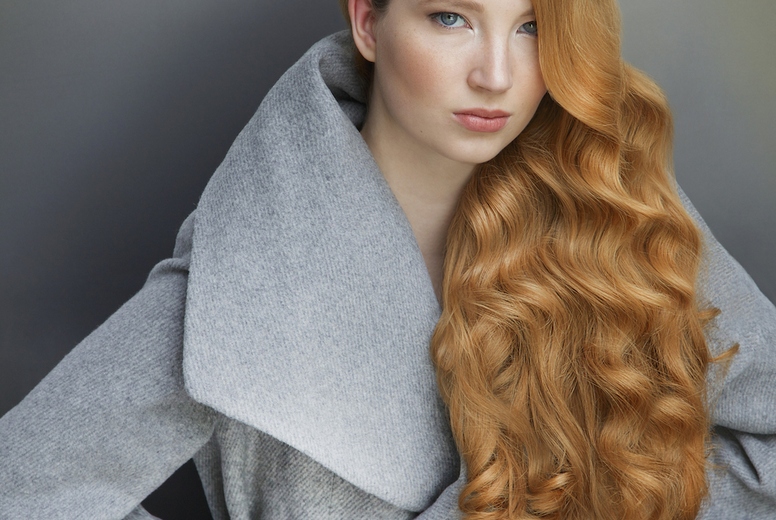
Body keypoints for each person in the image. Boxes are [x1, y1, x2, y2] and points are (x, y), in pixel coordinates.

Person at [1, 0, 775, 518]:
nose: (496, 75)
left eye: (533, 26)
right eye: (451, 18)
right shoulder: (249, 276)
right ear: (369, 24)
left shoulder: (615, 221)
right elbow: (26, 486)